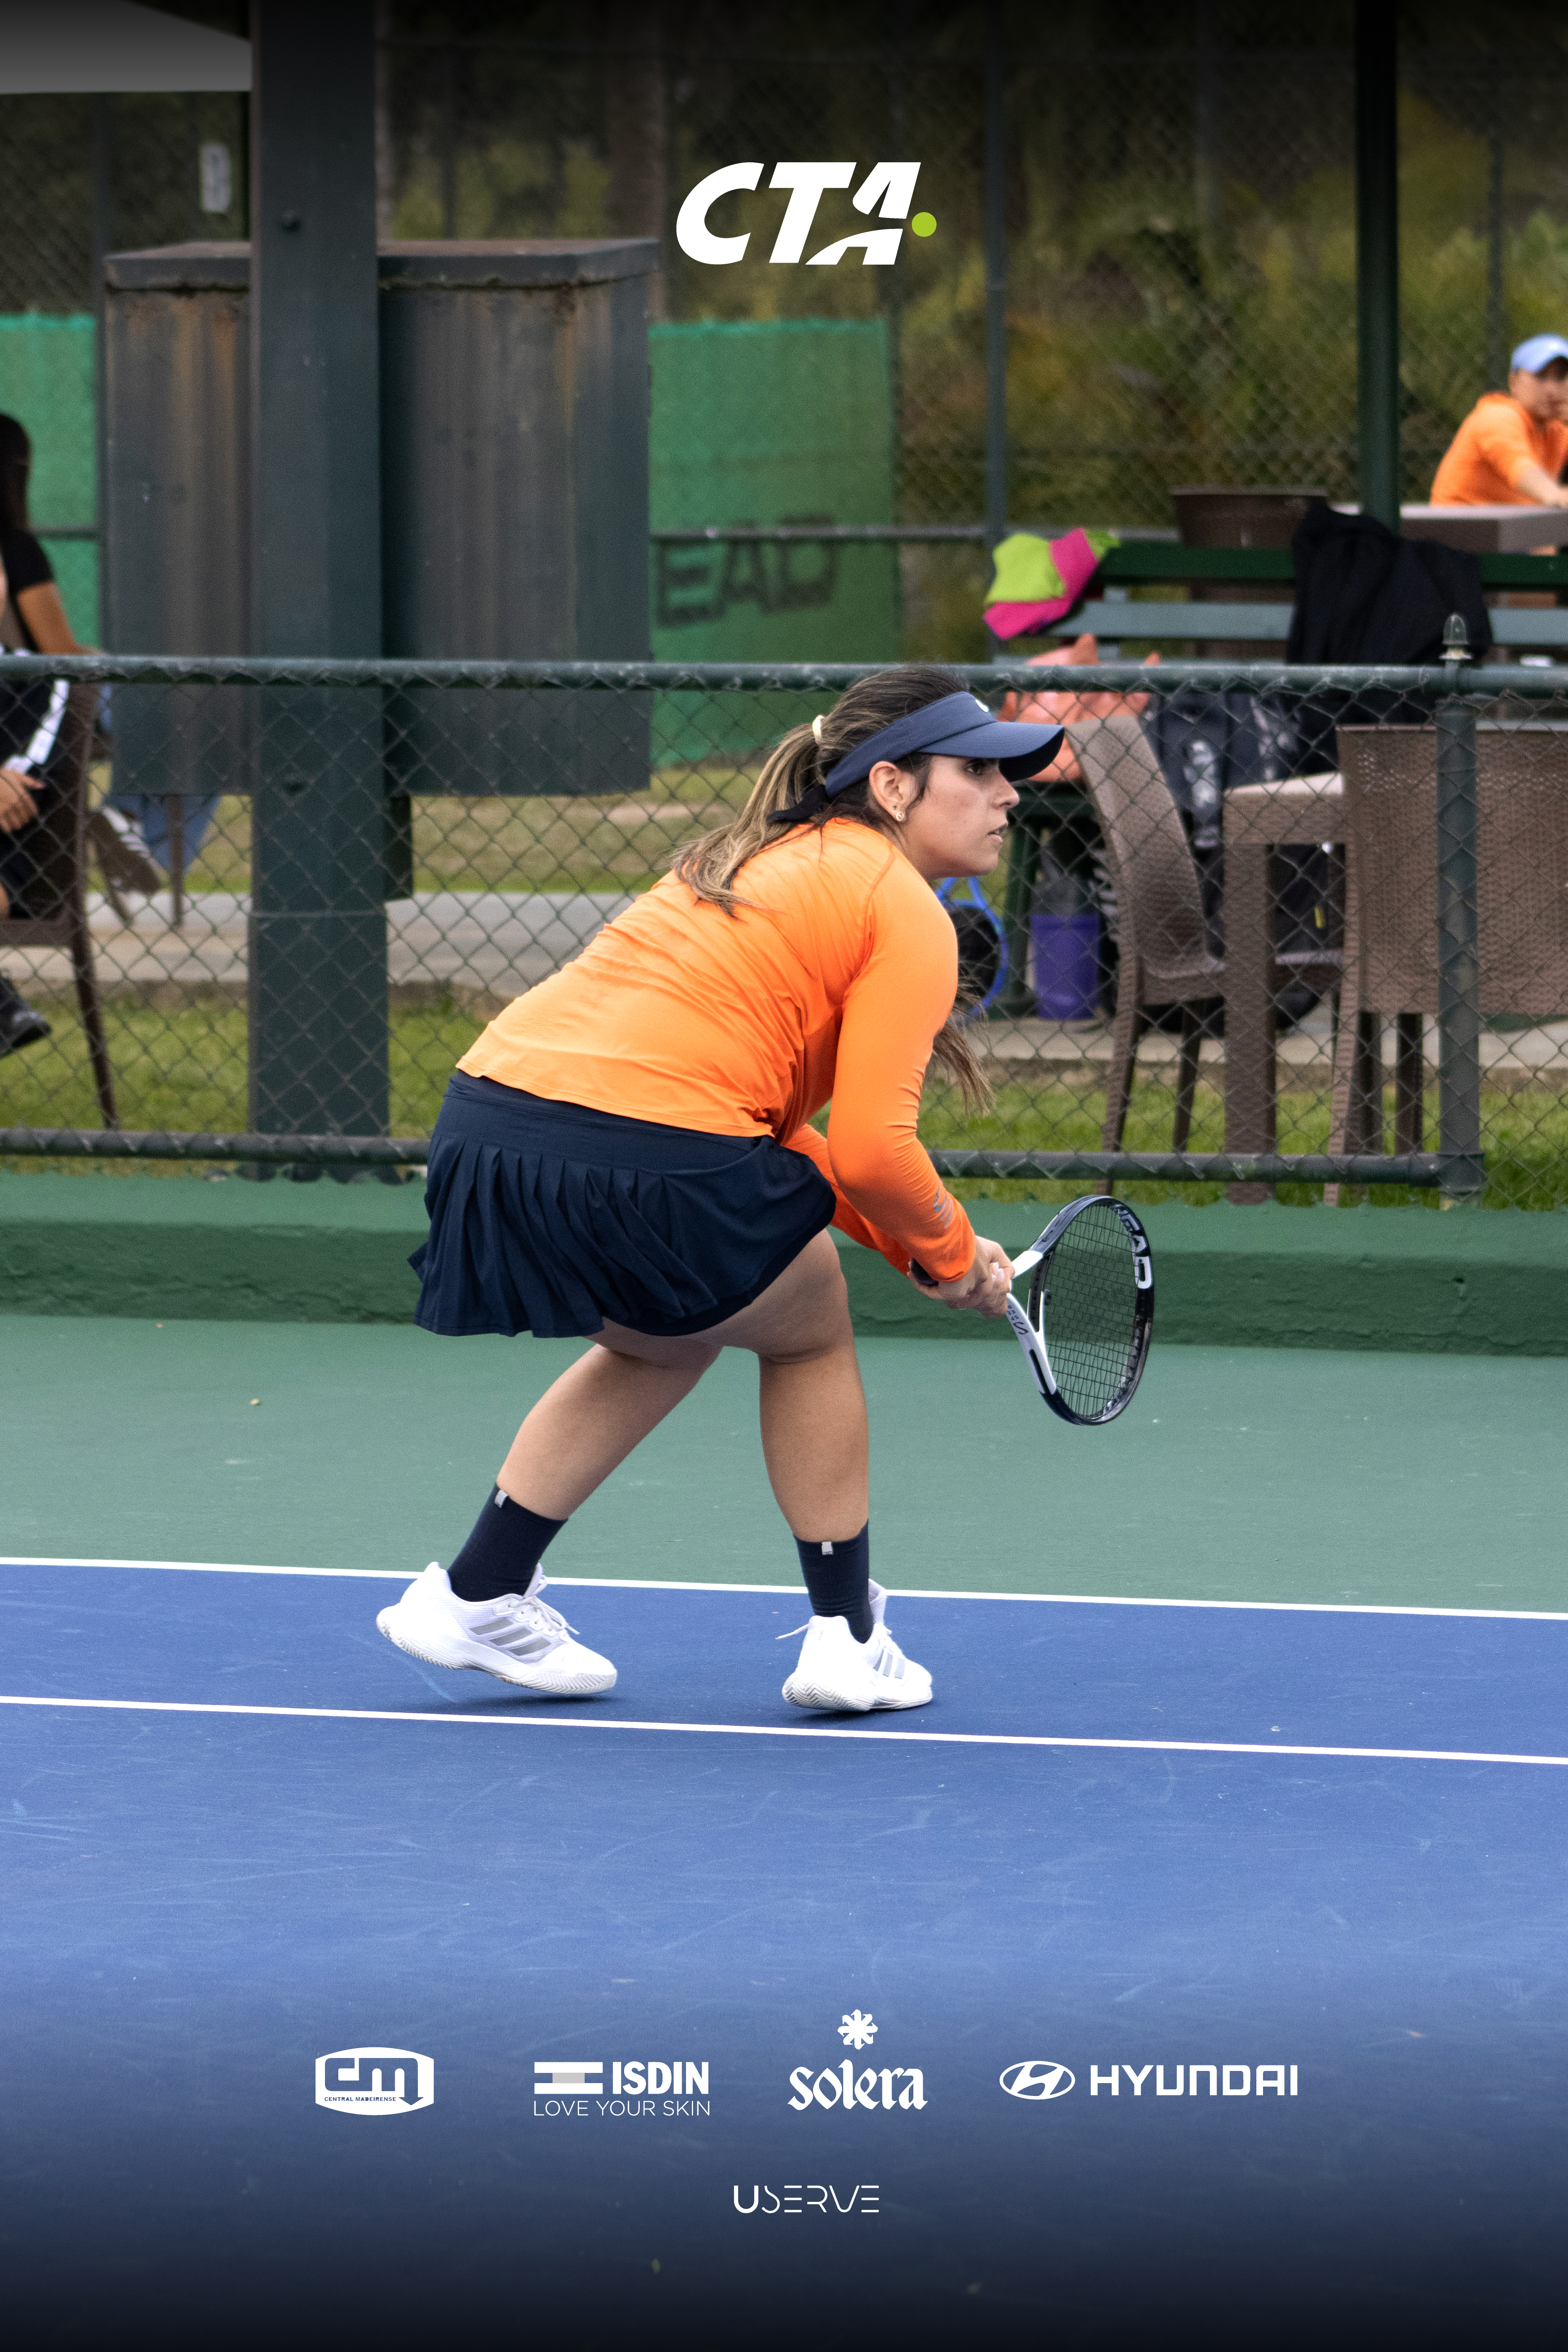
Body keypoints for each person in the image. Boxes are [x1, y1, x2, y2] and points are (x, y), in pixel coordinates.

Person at [376, 666, 1063, 1713]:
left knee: (669, 1333)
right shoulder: (906, 912)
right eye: (975, 770)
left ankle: (475, 1593)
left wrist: (926, 1250)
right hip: (638, 1145)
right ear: (891, 788)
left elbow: (780, 1140)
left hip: (489, 1126)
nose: (1009, 795)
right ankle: (849, 1636)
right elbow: (874, 1152)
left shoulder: (742, 860)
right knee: (808, 1325)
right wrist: (951, 1250)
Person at [1430, 336, 1568, 510]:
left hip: (1509, 530)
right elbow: (1520, 467)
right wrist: (1555, 494)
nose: (1552, 389)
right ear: (1514, 382)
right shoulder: (1498, 416)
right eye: (1541, 376)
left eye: (1560, 377)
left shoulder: (1556, 428)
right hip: (1457, 530)